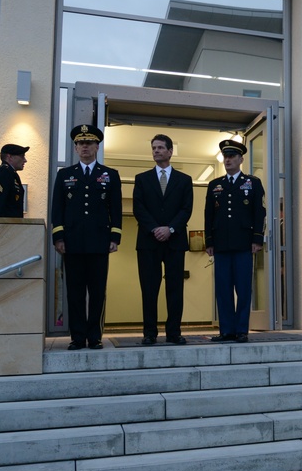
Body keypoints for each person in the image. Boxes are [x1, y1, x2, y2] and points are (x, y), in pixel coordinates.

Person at [50, 125, 123, 350]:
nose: (84, 147)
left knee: (98, 292)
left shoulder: (110, 175)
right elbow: (57, 209)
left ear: (97, 147)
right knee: (75, 292)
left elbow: (117, 209)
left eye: (89, 143)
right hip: (71, 243)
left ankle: (95, 336)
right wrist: (58, 237)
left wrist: (115, 237)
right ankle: (78, 337)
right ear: (75, 148)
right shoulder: (65, 175)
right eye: (81, 144)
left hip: (99, 242)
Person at [132, 134, 194, 346]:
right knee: (149, 288)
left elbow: (186, 209)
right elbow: (138, 208)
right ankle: (149, 332)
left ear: (170, 151)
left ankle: (173, 332)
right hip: (148, 242)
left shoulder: (185, 180)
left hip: (175, 241)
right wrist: (155, 229)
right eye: (154, 148)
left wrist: (171, 228)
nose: (156, 151)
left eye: (160, 147)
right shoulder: (142, 179)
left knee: (175, 288)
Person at [205, 138, 265, 343]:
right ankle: (226, 330)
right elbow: (208, 215)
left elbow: (260, 212)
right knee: (223, 289)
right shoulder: (215, 185)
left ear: (241, 159)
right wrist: (209, 242)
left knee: (243, 288)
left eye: (231, 156)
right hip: (221, 244)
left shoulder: (252, 183)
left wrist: (258, 239)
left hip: (244, 244)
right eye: (225, 156)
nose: (227, 159)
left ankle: (241, 330)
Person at [0, 143, 29, 217]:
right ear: (10, 157)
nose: (25, 160)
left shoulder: (12, 174)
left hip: (11, 225)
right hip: (4, 226)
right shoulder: (1, 172)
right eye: (22, 156)